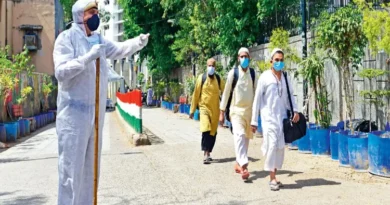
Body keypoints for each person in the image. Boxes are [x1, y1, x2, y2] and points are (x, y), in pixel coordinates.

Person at [53, 0, 149, 204]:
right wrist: (88, 57)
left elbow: (121, 49)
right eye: (91, 12)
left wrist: (138, 42)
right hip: (72, 116)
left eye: (97, 11)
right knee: (71, 171)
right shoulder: (66, 38)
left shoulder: (99, 40)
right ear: (80, 15)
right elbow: (61, 72)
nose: (96, 16)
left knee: (90, 170)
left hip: (95, 115)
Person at [251, 48, 299, 191]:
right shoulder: (265, 77)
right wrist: (254, 121)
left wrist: (295, 111)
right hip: (268, 118)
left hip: (282, 118)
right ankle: (272, 178)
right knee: (272, 145)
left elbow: (291, 95)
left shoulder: (285, 77)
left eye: (281, 60)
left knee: (279, 147)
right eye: (276, 60)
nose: (279, 62)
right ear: (271, 61)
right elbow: (257, 100)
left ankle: (275, 175)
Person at [219, 48, 257, 180]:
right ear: (238, 58)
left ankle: (238, 163)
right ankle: (244, 165)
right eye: (242, 56)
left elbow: (257, 94)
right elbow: (226, 92)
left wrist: (257, 114)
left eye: (246, 56)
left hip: (249, 112)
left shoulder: (253, 74)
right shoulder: (233, 73)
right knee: (239, 135)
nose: (244, 59)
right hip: (236, 112)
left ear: (249, 58)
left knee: (245, 139)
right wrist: (222, 111)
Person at [190, 58, 224, 164]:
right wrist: (192, 110)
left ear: (215, 67)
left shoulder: (218, 79)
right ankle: (205, 153)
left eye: (213, 65)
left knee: (213, 132)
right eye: (209, 65)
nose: (211, 67)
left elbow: (225, 91)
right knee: (205, 129)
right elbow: (196, 94)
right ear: (206, 66)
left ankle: (209, 152)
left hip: (215, 110)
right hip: (204, 109)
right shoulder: (201, 78)